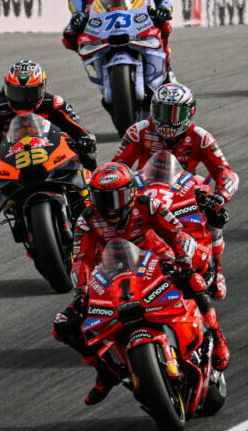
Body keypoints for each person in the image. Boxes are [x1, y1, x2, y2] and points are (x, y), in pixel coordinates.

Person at [51, 162, 222, 405]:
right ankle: (106, 372)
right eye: (104, 198)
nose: (112, 206)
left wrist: (182, 258)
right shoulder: (87, 220)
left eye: (118, 196)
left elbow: (174, 231)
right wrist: (81, 289)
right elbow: (82, 260)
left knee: (194, 281)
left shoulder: (147, 204)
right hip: (113, 274)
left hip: (159, 260)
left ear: (131, 191)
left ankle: (218, 340)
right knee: (64, 325)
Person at [111, 81, 238, 238]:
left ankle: (213, 258)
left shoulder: (200, 136)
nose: (167, 120)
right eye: (162, 111)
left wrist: (220, 196)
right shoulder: (138, 131)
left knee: (216, 216)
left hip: (185, 195)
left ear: (190, 112)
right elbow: (117, 168)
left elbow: (225, 171)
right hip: (144, 192)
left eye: (175, 114)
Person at [0, 60, 97, 184]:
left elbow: (79, 129)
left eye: (30, 93)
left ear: (42, 89)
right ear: (6, 89)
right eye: (16, 93)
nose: (23, 100)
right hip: (12, 157)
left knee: (88, 154)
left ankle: (91, 188)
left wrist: (85, 139)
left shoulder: (54, 103)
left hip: (51, 151)